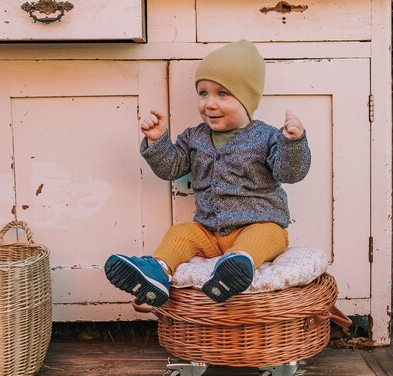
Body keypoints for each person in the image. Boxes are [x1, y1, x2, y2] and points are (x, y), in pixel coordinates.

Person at [104, 40, 311, 306]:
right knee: (181, 233)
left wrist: (293, 142)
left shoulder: (267, 137)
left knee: (268, 235)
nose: (209, 103)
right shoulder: (195, 137)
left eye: (222, 94)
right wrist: (158, 141)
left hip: (258, 225)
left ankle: (236, 266)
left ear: (247, 99)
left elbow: (290, 172)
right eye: (203, 93)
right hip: (209, 232)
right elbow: (171, 168)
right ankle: (157, 271)